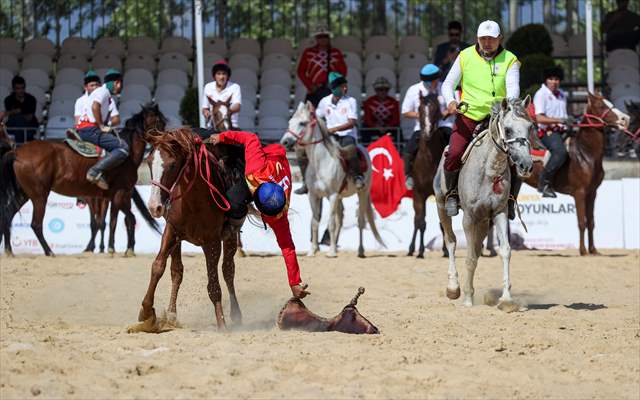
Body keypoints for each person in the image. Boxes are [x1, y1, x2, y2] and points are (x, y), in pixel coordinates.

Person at [208, 130, 310, 300]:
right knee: (223, 146)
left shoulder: (279, 217)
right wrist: (221, 137)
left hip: (270, 167)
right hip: (264, 156)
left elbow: (287, 247)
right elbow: (251, 137)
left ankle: (231, 225)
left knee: (234, 202)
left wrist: (294, 282)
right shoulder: (256, 168)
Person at [441, 20, 521, 218]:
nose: (487, 43)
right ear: (477, 39)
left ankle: (510, 199)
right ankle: (452, 193)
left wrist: (507, 104)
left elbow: (514, 89)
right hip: (469, 115)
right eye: (483, 39)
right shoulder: (464, 56)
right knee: (454, 153)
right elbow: (447, 84)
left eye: (491, 39)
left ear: (499, 39)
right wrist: (451, 102)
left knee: (516, 156)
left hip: (498, 118)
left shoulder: (510, 59)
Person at [75, 68, 128, 190]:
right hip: (90, 129)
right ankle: (95, 171)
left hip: (87, 129)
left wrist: (107, 124)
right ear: (116, 83)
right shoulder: (102, 92)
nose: (120, 87)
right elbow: (95, 107)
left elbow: (117, 119)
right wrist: (101, 126)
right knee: (123, 147)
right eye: (119, 84)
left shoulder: (107, 96)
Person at [401, 64, 447, 190]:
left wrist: (445, 112)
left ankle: (456, 175)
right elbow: (405, 112)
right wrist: (423, 115)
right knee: (408, 150)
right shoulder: (413, 90)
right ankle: (408, 175)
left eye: (433, 81)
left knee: (455, 148)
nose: (431, 84)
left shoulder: (445, 87)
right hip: (421, 127)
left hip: (443, 125)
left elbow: (453, 106)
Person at [315, 72, 364, 189]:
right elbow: (316, 117)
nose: (346, 88)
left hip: (347, 135)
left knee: (350, 149)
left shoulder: (351, 101)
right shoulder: (324, 102)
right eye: (342, 86)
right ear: (334, 88)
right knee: (314, 150)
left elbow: (352, 123)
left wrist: (334, 129)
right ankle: (308, 181)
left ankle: (358, 176)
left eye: (345, 85)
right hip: (330, 136)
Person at [533, 66, 571, 198]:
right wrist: (560, 120)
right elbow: (539, 118)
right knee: (560, 152)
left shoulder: (562, 94)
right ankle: (544, 183)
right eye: (551, 79)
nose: (554, 82)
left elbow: (565, 116)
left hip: (563, 130)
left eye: (556, 79)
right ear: (546, 80)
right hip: (547, 132)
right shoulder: (541, 94)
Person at [297, 24, 348, 108]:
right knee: (312, 119)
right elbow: (300, 71)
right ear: (316, 38)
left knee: (332, 119)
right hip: (313, 91)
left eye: (325, 36)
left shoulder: (336, 53)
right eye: (320, 36)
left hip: (331, 90)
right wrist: (310, 86)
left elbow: (343, 71)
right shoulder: (308, 53)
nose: (323, 39)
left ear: (328, 38)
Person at [202, 60, 241, 130]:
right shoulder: (208, 87)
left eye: (224, 74)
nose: (221, 77)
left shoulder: (235, 87)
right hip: (212, 126)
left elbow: (237, 106)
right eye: (218, 74)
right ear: (214, 76)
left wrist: (223, 112)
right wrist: (206, 113)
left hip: (231, 126)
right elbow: (205, 108)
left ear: (228, 76)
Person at [361, 76, 400, 144]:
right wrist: (375, 126)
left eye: (386, 89)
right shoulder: (369, 102)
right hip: (372, 128)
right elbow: (367, 119)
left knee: (398, 130)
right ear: (376, 90)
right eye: (380, 89)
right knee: (364, 128)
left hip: (390, 127)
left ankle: (399, 150)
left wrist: (388, 126)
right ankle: (365, 151)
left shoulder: (394, 102)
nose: (383, 92)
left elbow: (396, 119)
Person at [3, 75, 38, 144]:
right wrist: (17, 113)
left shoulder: (31, 99)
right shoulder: (8, 99)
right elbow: (8, 116)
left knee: (19, 121)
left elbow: (29, 118)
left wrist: (16, 112)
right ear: (14, 89)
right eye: (18, 88)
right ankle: (22, 148)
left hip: (29, 126)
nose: (21, 90)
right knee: (18, 121)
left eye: (22, 88)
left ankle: (18, 148)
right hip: (13, 126)